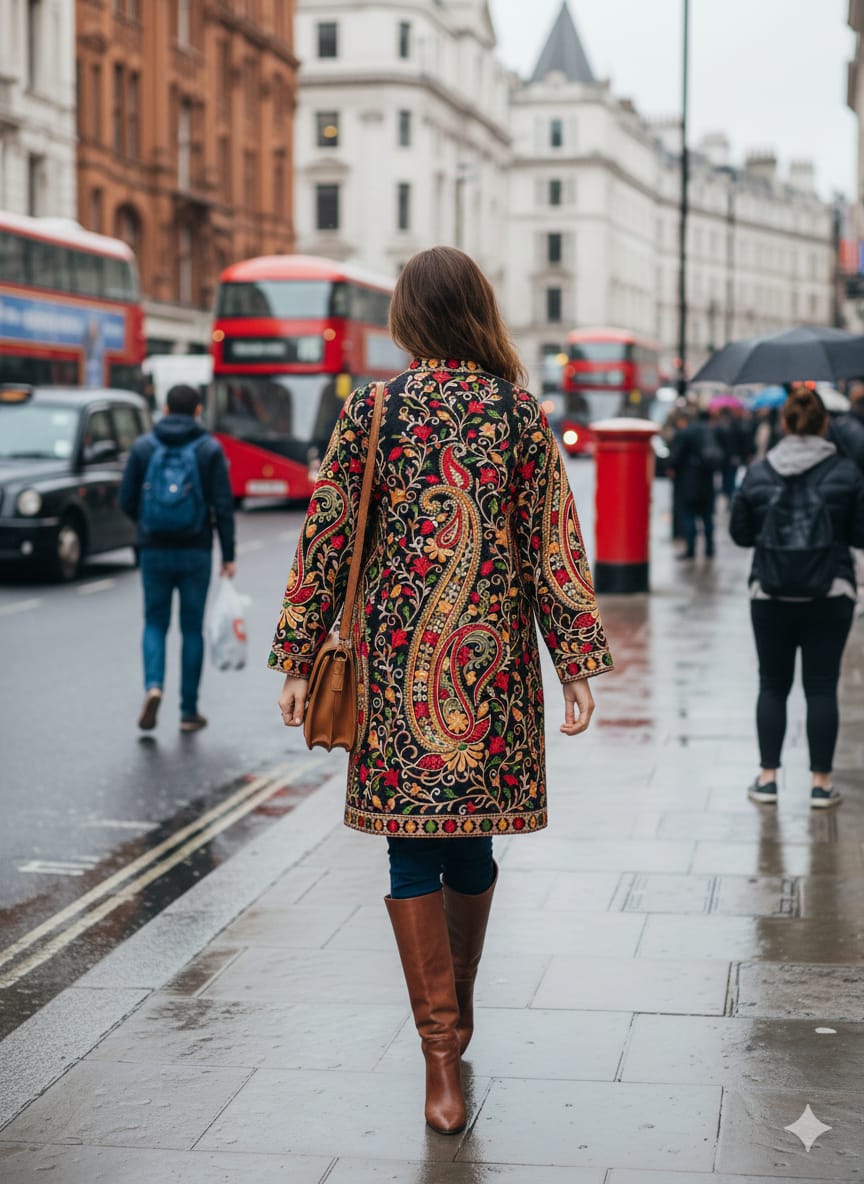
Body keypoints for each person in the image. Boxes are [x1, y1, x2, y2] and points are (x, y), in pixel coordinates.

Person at [268, 246, 613, 1134]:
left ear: (410, 318)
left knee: (413, 846)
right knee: (468, 847)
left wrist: (299, 661)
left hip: (393, 671)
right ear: (481, 311)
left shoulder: (374, 410)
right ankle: (447, 1039)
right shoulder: (519, 412)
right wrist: (572, 664)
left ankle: (440, 1059)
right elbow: (556, 548)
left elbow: (327, 538)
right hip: (491, 671)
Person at [730, 385, 864, 809]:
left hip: (769, 593)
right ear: (826, 425)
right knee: (822, 686)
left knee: (772, 685)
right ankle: (820, 785)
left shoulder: (758, 472)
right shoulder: (846, 472)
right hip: (832, 592)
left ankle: (768, 779)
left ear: (784, 424)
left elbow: (740, 534)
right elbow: (860, 534)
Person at [120, 383, 236, 732]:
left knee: (155, 623)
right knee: (191, 630)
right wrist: (228, 555)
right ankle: (188, 711)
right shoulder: (208, 449)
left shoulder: (143, 447)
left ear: (166, 410)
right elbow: (223, 506)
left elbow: (126, 500)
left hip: (153, 549)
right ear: (198, 411)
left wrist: (147, 525)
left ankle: (154, 686)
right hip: (195, 550)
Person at [668, 407, 721, 559]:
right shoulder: (712, 432)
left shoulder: (688, 432)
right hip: (707, 481)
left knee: (689, 516)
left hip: (689, 481)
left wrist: (671, 467)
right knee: (707, 516)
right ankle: (710, 549)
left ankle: (691, 550)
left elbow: (676, 457)